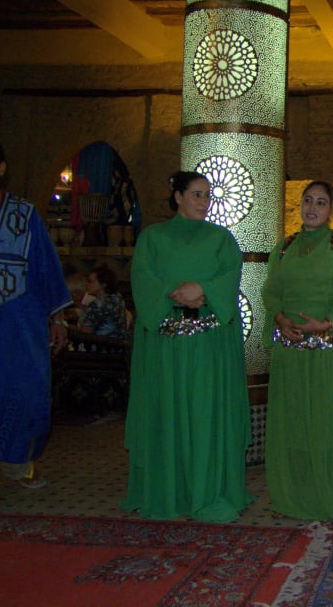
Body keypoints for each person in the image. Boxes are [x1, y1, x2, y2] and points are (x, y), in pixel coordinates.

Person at [120, 170, 252, 522]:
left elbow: (230, 274)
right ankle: (171, 488)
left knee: (205, 414)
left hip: (210, 347)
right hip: (166, 347)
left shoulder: (222, 238)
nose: (203, 202)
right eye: (196, 194)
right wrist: (178, 292)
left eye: (207, 196)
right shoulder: (153, 237)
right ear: (177, 197)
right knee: (168, 412)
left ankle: (209, 488)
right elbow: (143, 278)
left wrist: (204, 289)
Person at [262, 181, 333, 522]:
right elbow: (272, 292)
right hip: (292, 351)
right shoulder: (282, 249)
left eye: (321, 202)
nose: (312, 208)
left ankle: (331, 491)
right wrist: (281, 319)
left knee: (327, 424)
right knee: (294, 423)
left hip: (328, 352)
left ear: (332, 210)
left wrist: (326, 323)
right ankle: (297, 493)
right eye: (308, 201)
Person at [0, 136, 71, 489]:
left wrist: (58, 318)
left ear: (1, 167)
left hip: (18, 323)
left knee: (24, 391)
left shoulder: (24, 215)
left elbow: (46, 268)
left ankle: (17, 463)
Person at [78, 265, 127, 338]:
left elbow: (85, 332)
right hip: (119, 345)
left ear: (103, 284)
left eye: (90, 281)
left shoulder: (97, 304)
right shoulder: (118, 298)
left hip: (100, 345)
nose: (86, 284)